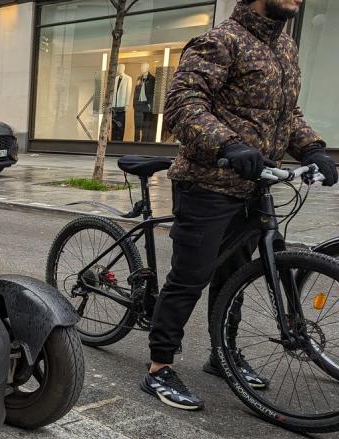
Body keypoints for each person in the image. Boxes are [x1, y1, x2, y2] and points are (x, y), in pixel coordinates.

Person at [143, 0, 338, 410]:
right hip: (209, 182)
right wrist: (229, 144)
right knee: (190, 276)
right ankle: (159, 367)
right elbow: (183, 105)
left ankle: (223, 353)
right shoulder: (219, 41)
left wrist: (312, 150)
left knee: (234, 274)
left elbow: (288, 115)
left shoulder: (284, 48)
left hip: (255, 184)